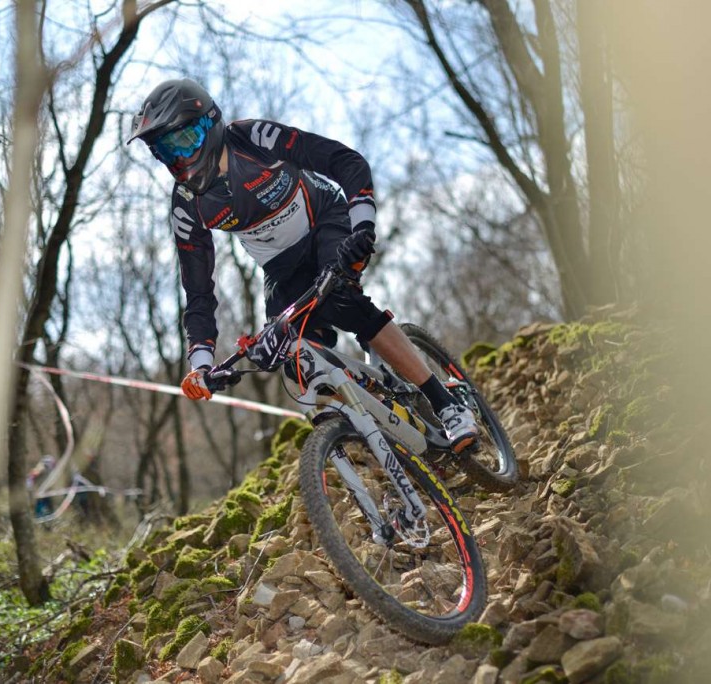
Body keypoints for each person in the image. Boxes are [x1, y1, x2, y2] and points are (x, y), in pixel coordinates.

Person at [127, 78, 478, 452]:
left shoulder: (254, 139)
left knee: (341, 300)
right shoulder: (186, 205)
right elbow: (198, 292)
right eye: (165, 151)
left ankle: (446, 403)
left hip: (326, 222)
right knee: (294, 361)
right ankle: (381, 429)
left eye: (183, 141)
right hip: (282, 268)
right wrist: (201, 365)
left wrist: (363, 225)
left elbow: (344, 161)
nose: (178, 158)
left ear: (209, 124)